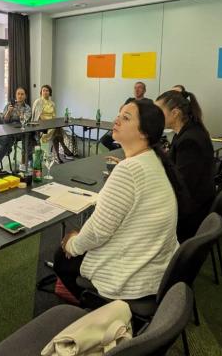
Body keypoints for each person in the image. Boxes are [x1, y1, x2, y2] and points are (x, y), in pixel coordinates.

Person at [53, 100, 178, 300]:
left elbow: (98, 232)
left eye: (126, 117)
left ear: (143, 132)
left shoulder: (129, 170)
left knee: (61, 257)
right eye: (119, 114)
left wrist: (72, 244)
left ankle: (94, 305)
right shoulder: (152, 159)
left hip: (132, 279)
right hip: (156, 270)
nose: (117, 119)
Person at [155, 89, 215, 241]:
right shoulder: (187, 132)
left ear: (175, 113)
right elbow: (172, 164)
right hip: (196, 204)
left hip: (190, 215)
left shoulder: (189, 140)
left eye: (159, 112)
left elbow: (181, 184)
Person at [99, 81, 153, 151]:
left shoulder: (148, 102)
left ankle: (122, 150)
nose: (137, 90)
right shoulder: (130, 100)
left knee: (127, 142)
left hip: (135, 129)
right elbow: (121, 111)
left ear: (144, 90)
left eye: (140, 88)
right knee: (104, 140)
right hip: (122, 126)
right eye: (135, 88)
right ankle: (118, 149)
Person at [32, 85, 73, 163]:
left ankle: (57, 155)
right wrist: (48, 123)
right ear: (41, 92)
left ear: (50, 92)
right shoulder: (38, 102)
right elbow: (36, 117)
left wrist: (53, 123)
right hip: (42, 125)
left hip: (52, 125)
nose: (45, 92)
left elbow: (54, 116)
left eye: (47, 90)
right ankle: (63, 150)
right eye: (43, 90)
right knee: (57, 130)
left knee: (57, 130)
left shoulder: (52, 103)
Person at [0, 87, 34, 170]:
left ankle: (25, 160)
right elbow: (4, 120)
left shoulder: (27, 108)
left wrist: (17, 111)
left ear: (25, 96)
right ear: (15, 95)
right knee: (12, 137)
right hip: (9, 129)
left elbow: (25, 120)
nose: (20, 96)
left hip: (21, 129)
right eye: (18, 94)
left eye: (22, 94)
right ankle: (26, 159)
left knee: (28, 135)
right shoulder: (9, 105)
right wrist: (9, 112)